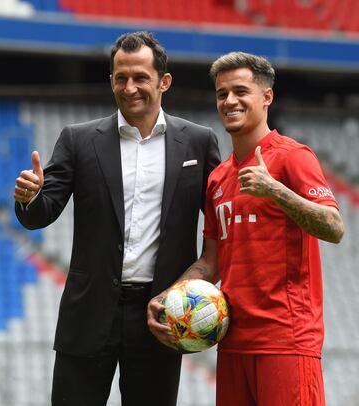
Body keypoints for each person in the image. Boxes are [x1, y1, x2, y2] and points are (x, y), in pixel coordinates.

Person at [14, 31, 220, 406]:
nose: (129, 87)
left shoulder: (198, 142)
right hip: (89, 313)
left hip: (159, 316)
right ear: (110, 79)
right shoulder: (78, 139)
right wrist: (30, 198)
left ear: (164, 81)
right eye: (120, 77)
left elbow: (222, 223)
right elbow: (40, 214)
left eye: (141, 77)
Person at [147, 51, 345, 406]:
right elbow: (210, 263)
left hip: (286, 340)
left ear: (266, 97)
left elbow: (333, 226)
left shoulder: (292, 157)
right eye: (222, 93)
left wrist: (275, 190)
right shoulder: (219, 179)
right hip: (232, 340)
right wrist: (168, 296)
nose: (229, 101)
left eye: (240, 91)